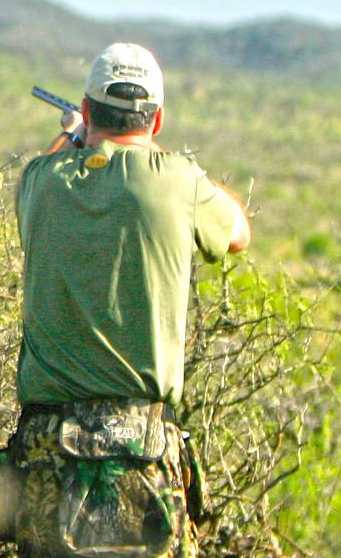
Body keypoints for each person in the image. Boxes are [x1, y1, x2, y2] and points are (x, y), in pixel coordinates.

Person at [13, 42, 251, 558]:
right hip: (144, 450)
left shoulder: (42, 184)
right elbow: (236, 233)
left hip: (48, 451)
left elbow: (38, 174)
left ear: (89, 106)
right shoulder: (180, 181)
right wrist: (186, 177)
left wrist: (73, 133)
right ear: (158, 119)